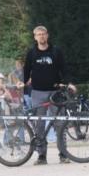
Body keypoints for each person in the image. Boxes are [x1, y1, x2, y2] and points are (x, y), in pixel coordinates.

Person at [23, 25, 73, 165]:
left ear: (47, 35)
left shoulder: (56, 51)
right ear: (35, 37)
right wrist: (22, 83)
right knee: (39, 125)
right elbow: (26, 71)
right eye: (38, 34)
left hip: (55, 92)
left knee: (60, 124)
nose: (41, 36)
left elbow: (64, 69)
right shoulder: (31, 53)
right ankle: (41, 156)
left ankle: (63, 154)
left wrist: (68, 83)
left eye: (43, 34)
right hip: (38, 93)